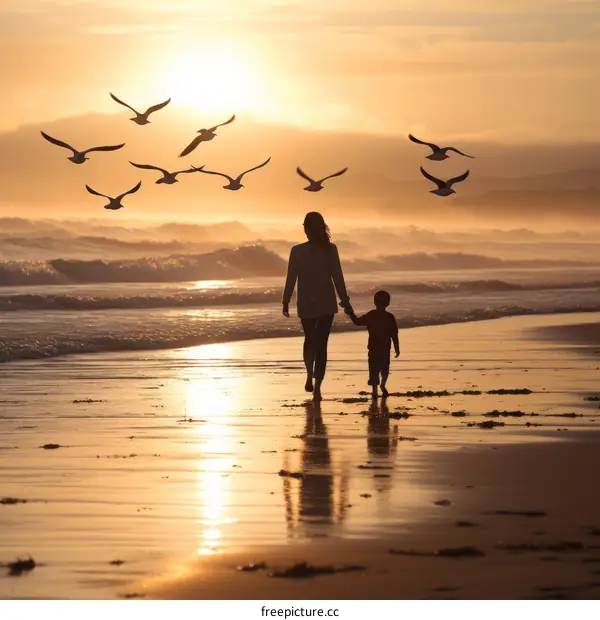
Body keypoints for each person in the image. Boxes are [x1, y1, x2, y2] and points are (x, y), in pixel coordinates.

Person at [282, 212, 352, 401]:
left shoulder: (297, 251)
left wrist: (286, 299)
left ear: (306, 228)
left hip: (307, 302)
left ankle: (309, 375)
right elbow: (338, 277)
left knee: (310, 340)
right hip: (326, 302)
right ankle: (318, 388)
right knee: (321, 344)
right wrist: (345, 300)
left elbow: (291, 276)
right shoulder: (330, 249)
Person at [347, 290, 400, 398]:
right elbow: (394, 334)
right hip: (384, 348)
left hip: (373, 348)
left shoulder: (371, 315)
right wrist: (397, 347)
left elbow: (356, 322)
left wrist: (350, 312)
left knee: (373, 369)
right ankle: (382, 386)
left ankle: (375, 390)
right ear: (388, 303)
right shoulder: (389, 317)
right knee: (384, 369)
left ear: (375, 302)